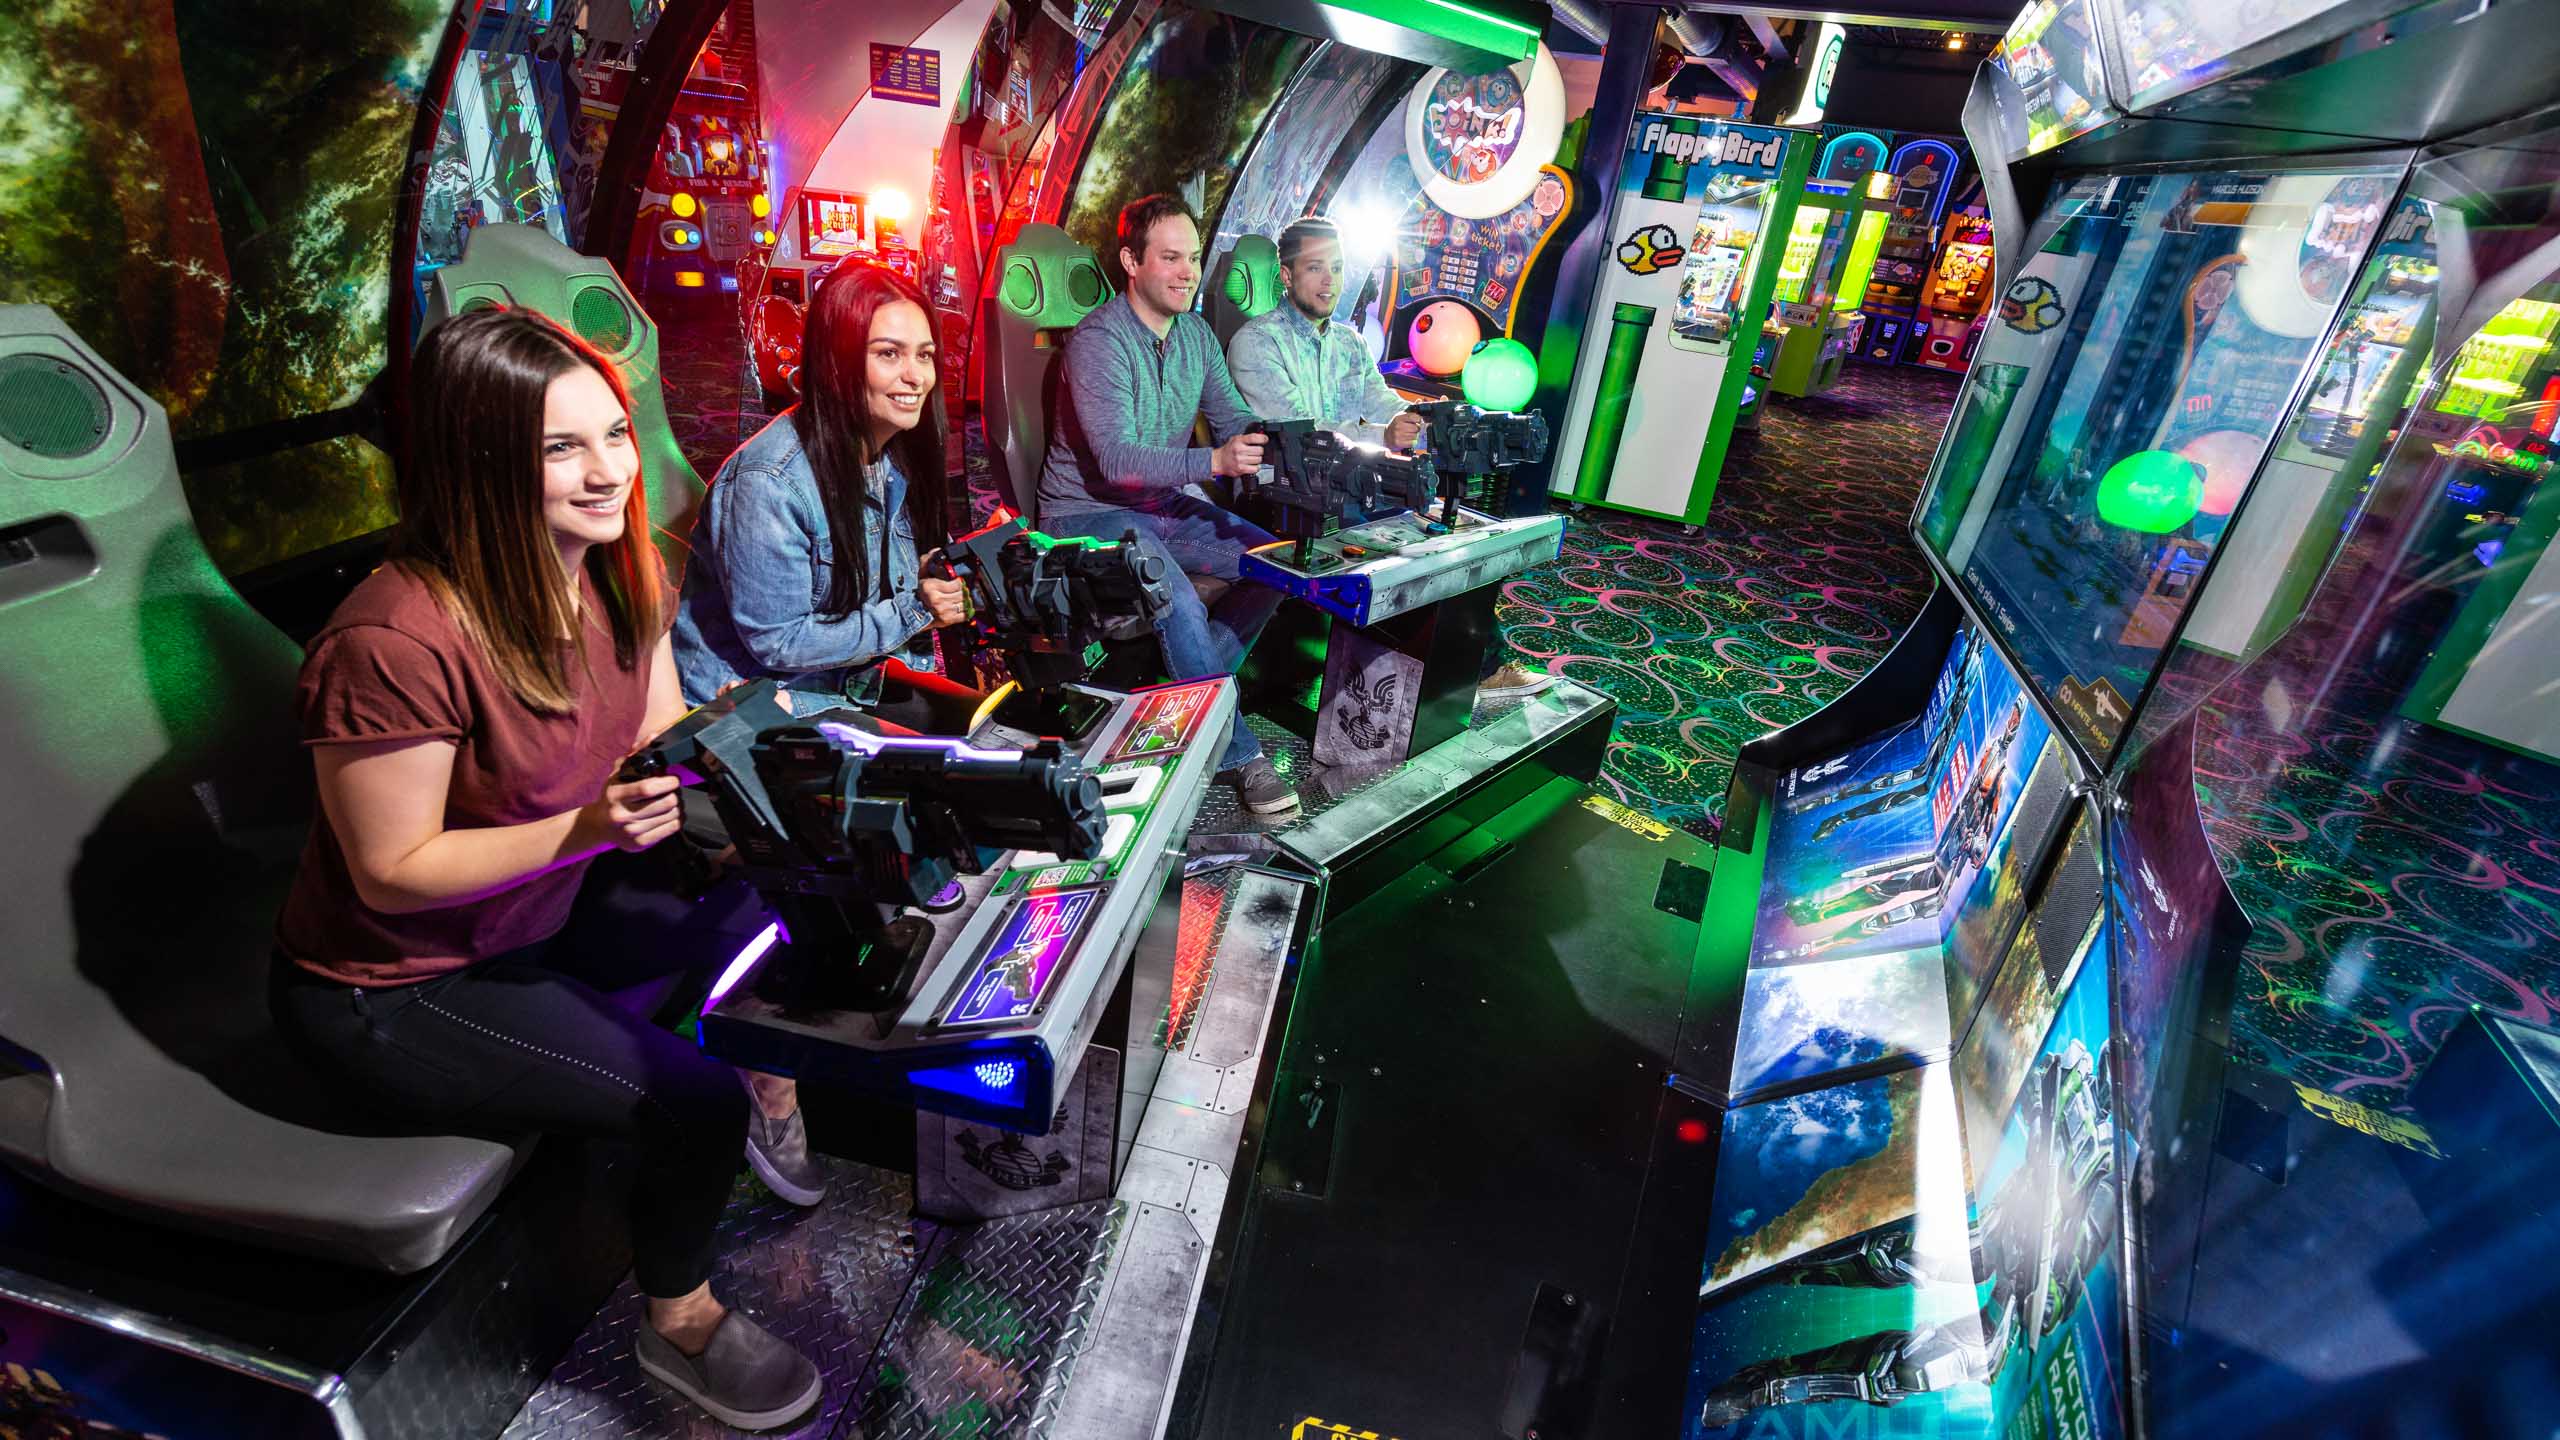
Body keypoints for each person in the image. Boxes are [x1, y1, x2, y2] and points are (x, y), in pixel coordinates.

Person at [268, 308, 824, 1433]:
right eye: (559, 450)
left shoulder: (620, 574)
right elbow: (391, 870)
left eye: (614, 434)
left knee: (795, 901)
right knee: (689, 1105)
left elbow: (661, 750)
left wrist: (790, 807)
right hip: (399, 985)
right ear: (480, 464)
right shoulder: (391, 640)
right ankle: (681, 1323)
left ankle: (779, 1075)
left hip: (540, 907)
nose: (609, 470)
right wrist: (587, 830)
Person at [1037, 193, 1299, 815]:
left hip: (1159, 504)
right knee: (1172, 590)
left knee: (1279, 563)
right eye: (1171, 257)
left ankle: (1184, 698)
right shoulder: (1099, 340)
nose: (1187, 272)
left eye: (1194, 258)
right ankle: (1238, 753)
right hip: (1082, 512)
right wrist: (1213, 462)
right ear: (1131, 261)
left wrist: (1290, 443)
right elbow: (1118, 462)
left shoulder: (1197, 336)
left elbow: (1235, 417)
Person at [1226, 216, 1558, 701]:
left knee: (1443, 528)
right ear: (1286, 274)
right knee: (1408, 527)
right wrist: (1382, 434)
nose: (1328, 281)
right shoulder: (1256, 343)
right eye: (1315, 268)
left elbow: (1381, 402)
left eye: (1336, 269)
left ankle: (1466, 667)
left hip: (1350, 481)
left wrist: (1411, 419)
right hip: (1286, 491)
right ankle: (1466, 671)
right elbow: (1296, 433)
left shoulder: (1348, 341)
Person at [674, 263, 981, 735]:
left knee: (997, 727)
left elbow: (890, 578)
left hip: (842, 680)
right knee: (961, 772)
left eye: (924, 356)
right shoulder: (769, 482)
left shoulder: (890, 453)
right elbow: (779, 644)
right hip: (753, 703)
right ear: (837, 361)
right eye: (888, 354)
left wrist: (969, 560)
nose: (916, 376)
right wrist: (917, 609)